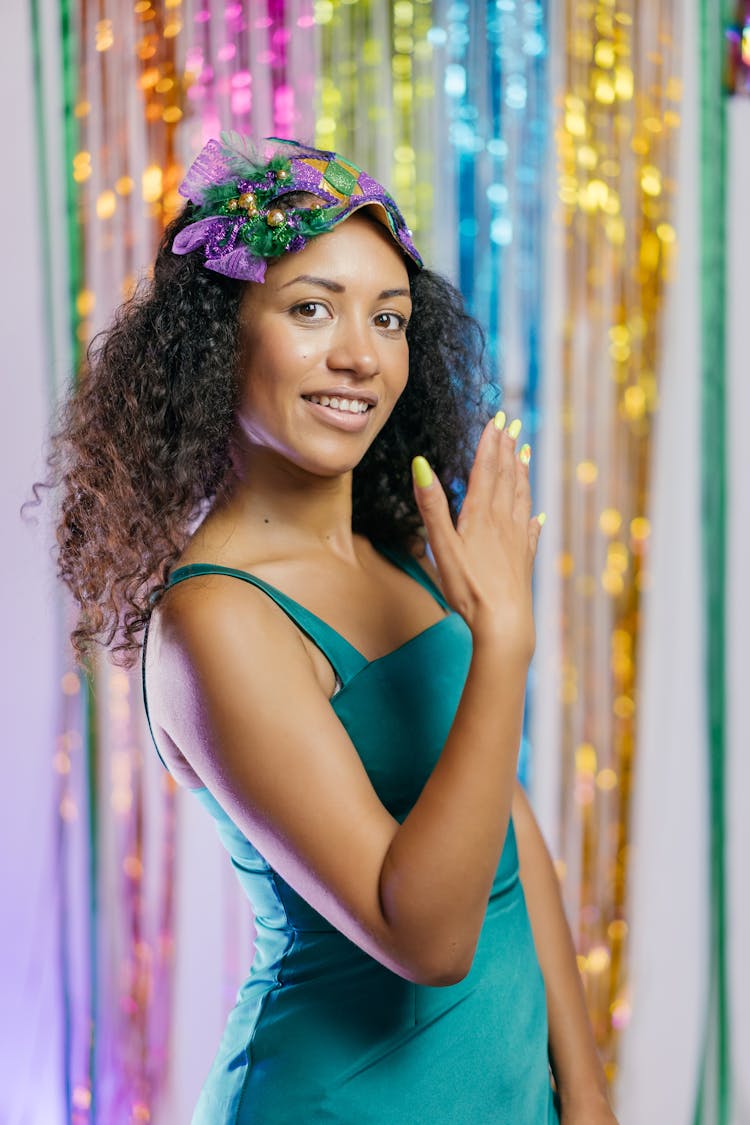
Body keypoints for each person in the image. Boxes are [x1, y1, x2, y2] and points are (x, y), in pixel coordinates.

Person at [45, 134, 617, 1123]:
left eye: (388, 319)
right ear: (221, 338)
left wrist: (592, 1100)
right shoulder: (215, 618)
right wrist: (505, 647)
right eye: (311, 308)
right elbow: (426, 937)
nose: (359, 353)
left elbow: (505, 828)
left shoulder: (392, 547)